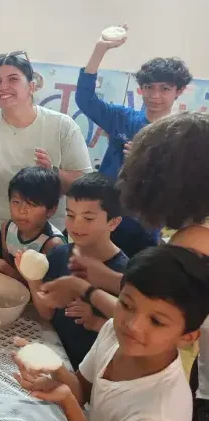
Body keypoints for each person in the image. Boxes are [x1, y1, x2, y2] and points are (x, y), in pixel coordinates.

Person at [39, 112, 209, 421]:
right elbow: (153, 296)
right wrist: (99, 279)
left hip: (180, 383)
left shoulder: (198, 238)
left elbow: (161, 298)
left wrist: (86, 288)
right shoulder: (121, 332)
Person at [14, 245, 208, 421]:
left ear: (187, 337)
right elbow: (82, 390)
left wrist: (67, 401)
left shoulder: (161, 413)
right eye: (127, 305)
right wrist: (55, 367)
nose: (133, 325)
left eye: (157, 321)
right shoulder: (112, 333)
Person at [75, 25, 192, 257]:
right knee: (86, 274)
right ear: (140, 89)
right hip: (104, 215)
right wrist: (100, 49)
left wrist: (145, 163)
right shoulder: (121, 118)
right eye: (148, 87)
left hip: (144, 224)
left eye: (164, 89)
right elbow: (85, 99)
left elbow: (181, 186)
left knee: (130, 283)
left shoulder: (182, 133)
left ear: (178, 91)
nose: (155, 96)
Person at [0, 52, 91, 256]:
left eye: (13, 79)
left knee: (37, 285)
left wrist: (53, 173)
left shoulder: (62, 126)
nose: (3, 86)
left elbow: (82, 184)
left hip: (44, 232)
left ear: (31, 86)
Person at [30, 173, 127, 368]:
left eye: (88, 218)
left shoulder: (125, 272)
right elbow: (47, 312)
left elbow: (130, 328)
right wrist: (32, 276)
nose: (76, 225)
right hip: (54, 359)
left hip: (92, 374)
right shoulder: (59, 254)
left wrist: (97, 320)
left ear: (113, 222)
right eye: (70, 215)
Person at [0, 166, 66, 282]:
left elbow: (42, 291)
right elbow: (11, 270)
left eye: (32, 204)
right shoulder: (7, 227)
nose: (22, 210)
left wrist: (4, 267)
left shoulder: (53, 244)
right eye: (16, 202)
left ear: (51, 210)